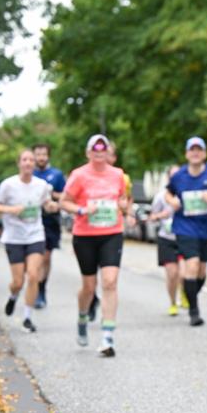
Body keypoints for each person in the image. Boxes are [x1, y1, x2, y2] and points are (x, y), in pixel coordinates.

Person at [59, 134, 129, 357]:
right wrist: (81, 210)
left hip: (112, 233)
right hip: (85, 235)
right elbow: (64, 201)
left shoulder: (118, 175)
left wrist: (123, 205)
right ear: (88, 153)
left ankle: (107, 336)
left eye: (103, 149)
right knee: (89, 286)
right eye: (95, 149)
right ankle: (82, 316)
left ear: (108, 152)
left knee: (109, 282)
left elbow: (124, 199)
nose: (99, 152)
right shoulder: (79, 175)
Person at [164, 137, 207, 326]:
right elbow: (168, 192)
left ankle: (190, 293)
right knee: (191, 265)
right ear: (186, 154)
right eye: (191, 149)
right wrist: (172, 201)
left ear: (204, 153)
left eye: (198, 149)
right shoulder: (179, 176)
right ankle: (194, 311)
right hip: (185, 227)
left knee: (201, 271)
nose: (195, 153)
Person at [0, 150, 58, 333]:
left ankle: (27, 317)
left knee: (34, 275)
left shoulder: (41, 185)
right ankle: (13, 295)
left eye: (31, 160)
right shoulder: (8, 185)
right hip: (14, 237)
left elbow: (47, 202)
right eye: (24, 160)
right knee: (18, 282)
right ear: (19, 163)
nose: (28, 163)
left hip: (35, 235)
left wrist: (51, 206)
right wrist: (11, 210)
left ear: (34, 164)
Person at [32, 143, 67, 309]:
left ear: (48, 156)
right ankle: (34, 285)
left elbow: (66, 197)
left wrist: (51, 193)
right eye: (37, 154)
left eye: (43, 154)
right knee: (34, 258)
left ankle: (41, 289)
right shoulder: (28, 173)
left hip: (50, 221)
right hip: (31, 221)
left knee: (45, 257)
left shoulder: (57, 175)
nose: (40, 158)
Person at [148, 165, 184, 315]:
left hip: (184, 238)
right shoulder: (161, 196)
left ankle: (184, 293)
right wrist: (162, 215)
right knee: (172, 273)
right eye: (172, 176)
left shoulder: (186, 193)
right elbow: (152, 216)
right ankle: (173, 302)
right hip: (166, 238)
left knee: (184, 273)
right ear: (169, 178)